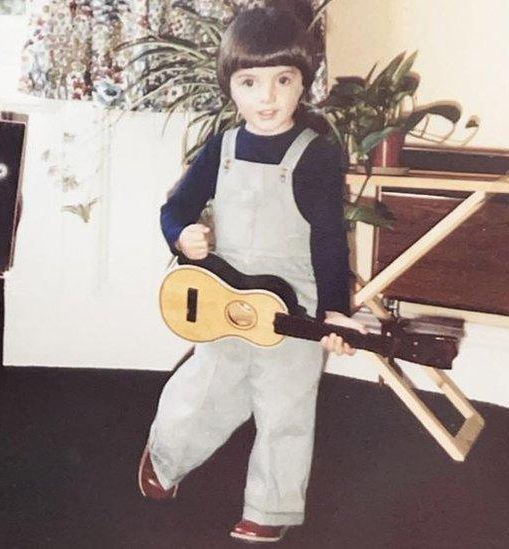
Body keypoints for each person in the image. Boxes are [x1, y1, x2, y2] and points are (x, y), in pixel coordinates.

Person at [138, 7, 367, 544]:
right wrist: (181, 235)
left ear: (303, 84)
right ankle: (166, 456)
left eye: (283, 81)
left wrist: (335, 310)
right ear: (230, 87)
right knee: (207, 389)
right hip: (224, 299)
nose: (267, 98)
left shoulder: (317, 155)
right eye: (250, 82)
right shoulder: (222, 148)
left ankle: (271, 506)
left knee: (286, 405)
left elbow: (329, 239)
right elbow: (176, 208)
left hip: (294, 308)